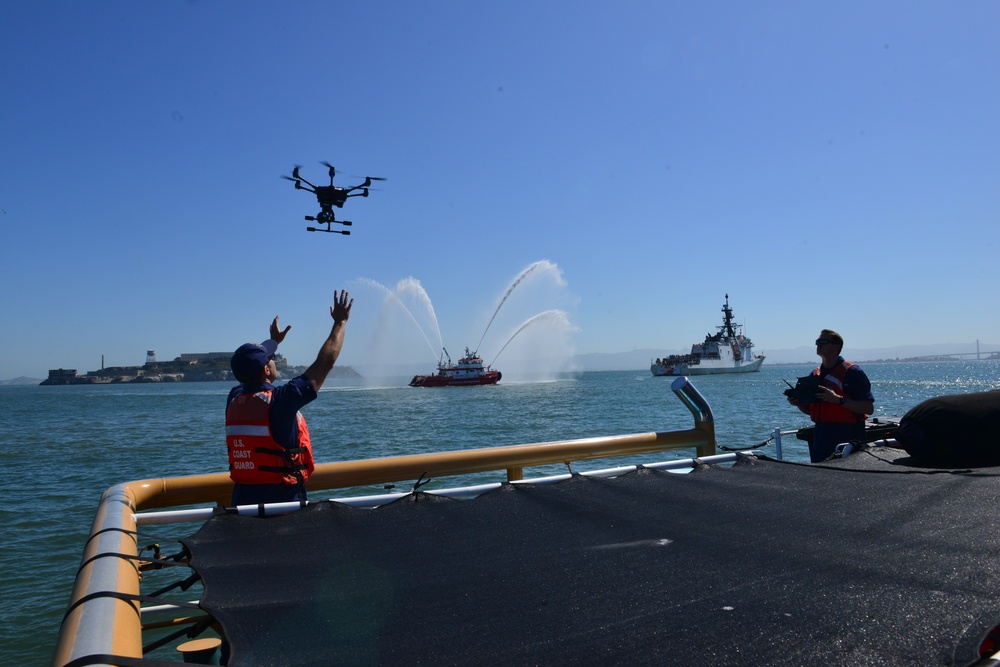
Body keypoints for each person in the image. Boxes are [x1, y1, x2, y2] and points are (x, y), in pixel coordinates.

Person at [225, 290, 353, 505]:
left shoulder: (234, 397)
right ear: (266, 369)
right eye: (271, 359)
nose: (274, 360)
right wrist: (340, 322)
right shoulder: (281, 401)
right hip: (282, 507)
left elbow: (251, 371)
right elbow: (324, 363)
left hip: (243, 506)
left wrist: (273, 343)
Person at [787, 329, 874, 462]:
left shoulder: (852, 373)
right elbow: (810, 410)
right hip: (821, 435)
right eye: (817, 342)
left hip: (848, 434)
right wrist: (798, 402)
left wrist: (838, 400)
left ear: (836, 346)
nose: (818, 345)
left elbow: (868, 408)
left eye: (823, 341)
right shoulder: (815, 375)